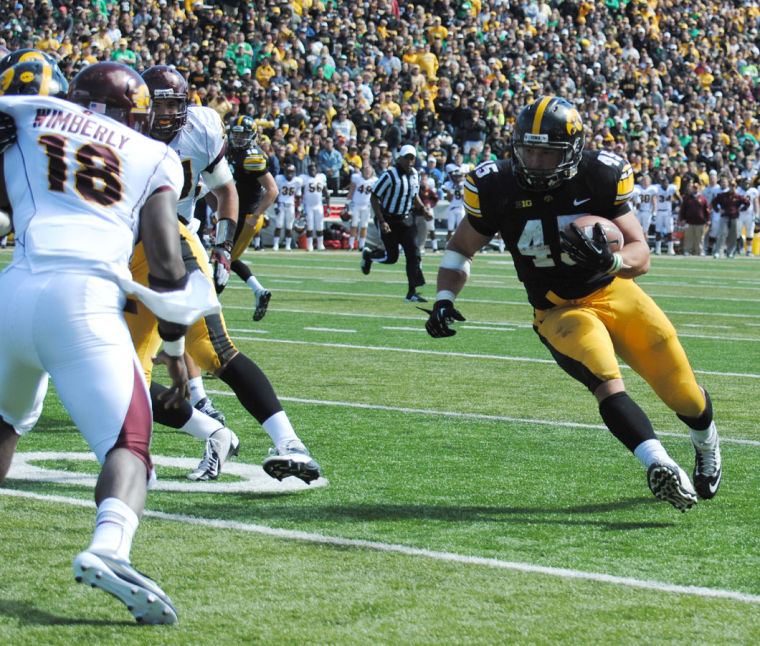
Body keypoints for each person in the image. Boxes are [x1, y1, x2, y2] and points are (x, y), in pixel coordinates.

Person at [424, 96, 721, 512]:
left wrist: (612, 260)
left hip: (614, 292)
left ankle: (705, 442)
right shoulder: (495, 185)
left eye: (547, 153)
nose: (535, 160)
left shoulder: (598, 175)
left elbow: (641, 254)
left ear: (573, 150)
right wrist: (443, 297)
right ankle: (659, 462)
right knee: (605, 380)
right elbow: (460, 249)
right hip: (558, 309)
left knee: (684, 395)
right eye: (529, 150)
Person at [0, 59, 216, 624]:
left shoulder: (29, 114)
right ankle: (110, 548)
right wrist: (173, 352)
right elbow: (167, 268)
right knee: (131, 447)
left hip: (13, 291)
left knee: (4, 422)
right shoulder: (154, 155)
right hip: (85, 300)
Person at [128, 66, 321, 484]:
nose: (163, 115)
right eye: (155, 105)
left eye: (171, 106)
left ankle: (290, 443)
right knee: (121, 375)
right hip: (119, 250)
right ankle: (213, 433)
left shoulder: (199, 128)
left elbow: (225, 189)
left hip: (171, 239)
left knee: (214, 350)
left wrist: (222, 246)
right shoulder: (116, 129)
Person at [226, 115, 277, 319]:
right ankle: (259, 291)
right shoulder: (232, 152)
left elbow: (272, 190)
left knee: (226, 259)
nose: (239, 139)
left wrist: (256, 215)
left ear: (253, 135)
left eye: (244, 135)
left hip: (246, 215)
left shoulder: (252, 156)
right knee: (226, 258)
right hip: (233, 213)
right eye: (236, 135)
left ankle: (211, 302)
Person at [711, 179, 750, 258]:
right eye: (731, 186)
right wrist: (718, 210)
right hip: (724, 216)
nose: (732, 188)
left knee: (733, 235)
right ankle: (718, 251)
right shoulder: (723, 195)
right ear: (729, 186)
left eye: (734, 186)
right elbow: (714, 202)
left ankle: (730, 252)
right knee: (722, 234)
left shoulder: (738, 196)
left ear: (735, 187)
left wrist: (741, 209)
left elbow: (747, 202)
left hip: (734, 217)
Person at [345, 163, 378, 251]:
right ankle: (351, 244)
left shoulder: (375, 180)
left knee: (364, 225)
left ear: (372, 172)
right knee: (354, 224)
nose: (367, 172)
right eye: (366, 171)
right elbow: (351, 191)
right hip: (356, 204)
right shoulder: (357, 178)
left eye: (369, 171)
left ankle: (361, 245)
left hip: (366, 206)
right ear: (363, 171)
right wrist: (347, 204)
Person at [299, 162, 330, 251]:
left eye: (314, 169)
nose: (312, 171)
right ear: (308, 170)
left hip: (318, 205)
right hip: (308, 205)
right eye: (310, 169)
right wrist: (300, 205)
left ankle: (320, 245)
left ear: (317, 170)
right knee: (309, 226)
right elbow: (299, 192)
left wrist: (328, 206)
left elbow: (326, 192)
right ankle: (309, 246)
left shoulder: (321, 177)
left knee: (320, 226)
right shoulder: (304, 178)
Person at [273, 163, 302, 250]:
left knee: (289, 226)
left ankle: (288, 245)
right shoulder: (279, 179)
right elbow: (276, 193)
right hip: (281, 204)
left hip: (291, 205)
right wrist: (275, 205)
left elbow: (298, 196)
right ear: (285, 171)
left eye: (292, 171)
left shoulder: (298, 181)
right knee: (279, 225)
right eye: (288, 171)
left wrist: (299, 207)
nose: (290, 174)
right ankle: (275, 245)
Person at [677, 178, 710, 256]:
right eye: (694, 188)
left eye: (697, 188)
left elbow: (707, 210)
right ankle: (687, 251)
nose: (696, 189)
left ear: (699, 189)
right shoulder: (688, 198)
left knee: (699, 238)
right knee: (688, 237)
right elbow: (683, 210)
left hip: (700, 221)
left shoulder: (703, 198)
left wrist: (708, 220)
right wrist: (682, 219)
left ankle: (700, 251)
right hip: (689, 221)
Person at [653, 172, 680, 255]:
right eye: (664, 182)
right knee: (658, 231)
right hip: (659, 211)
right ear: (661, 183)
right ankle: (658, 249)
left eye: (667, 182)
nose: (666, 184)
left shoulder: (672, 188)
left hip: (668, 212)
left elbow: (680, 199)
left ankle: (670, 249)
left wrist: (677, 208)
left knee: (670, 231)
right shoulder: (657, 188)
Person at [630, 173, 657, 249]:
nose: (645, 182)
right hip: (638, 212)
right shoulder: (637, 188)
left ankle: (645, 247)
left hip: (647, 212)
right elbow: (633, 199)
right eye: (644, 180)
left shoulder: (652, 189)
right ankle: (636, 247)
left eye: (647, 181)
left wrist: (654, 213)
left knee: (645, 231)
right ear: (641, 181)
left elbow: (654, 201)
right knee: (636, 230)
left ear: (650, 182)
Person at [442, 164, 467, 241]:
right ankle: (447, 246)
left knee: (461, 230)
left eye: (459, 176)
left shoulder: (464, 185)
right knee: (450, 229)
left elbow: (465, 199)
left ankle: (461, 245)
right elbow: (449, 199)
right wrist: (451, 191)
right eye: (456, 176)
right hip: (452, 208)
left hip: (461, 208)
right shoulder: (449, 185)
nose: (457, 178)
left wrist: (461, 190)